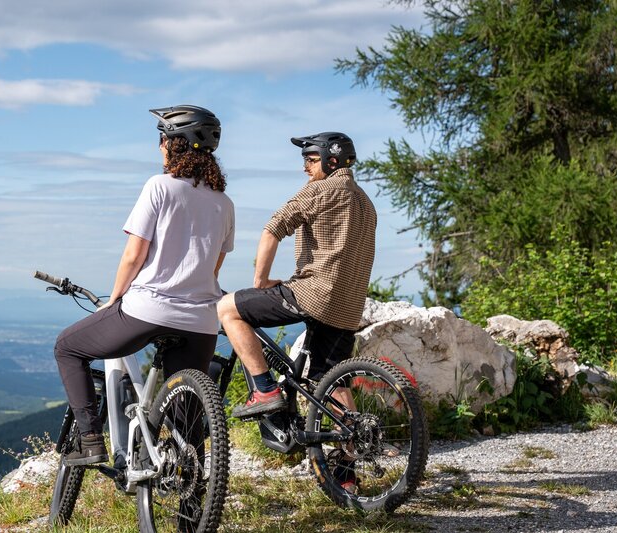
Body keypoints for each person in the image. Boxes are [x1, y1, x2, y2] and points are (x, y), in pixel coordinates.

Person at [54, 105, 235, 466]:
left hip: (148, 310)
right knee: (189, 421)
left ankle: (90, 440)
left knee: (67, 348)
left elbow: (134, 255)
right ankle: (193, 513)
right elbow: (214, 265)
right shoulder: (224, 203)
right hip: (202, 322)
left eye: (162, 139)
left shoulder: (159, 186)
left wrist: (115, 297)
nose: (159, 147)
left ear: (174, 144)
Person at [217, 132, 376, 420]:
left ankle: (265, 390)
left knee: (227, 308)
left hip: (314, 294)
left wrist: (261, 282)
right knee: (329, 379)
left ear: (332, 160)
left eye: (311, 160)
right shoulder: (365, 202)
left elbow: (272, 229)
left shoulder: (319, 190)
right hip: (349, 305)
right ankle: (353, 448)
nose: (305, 167)